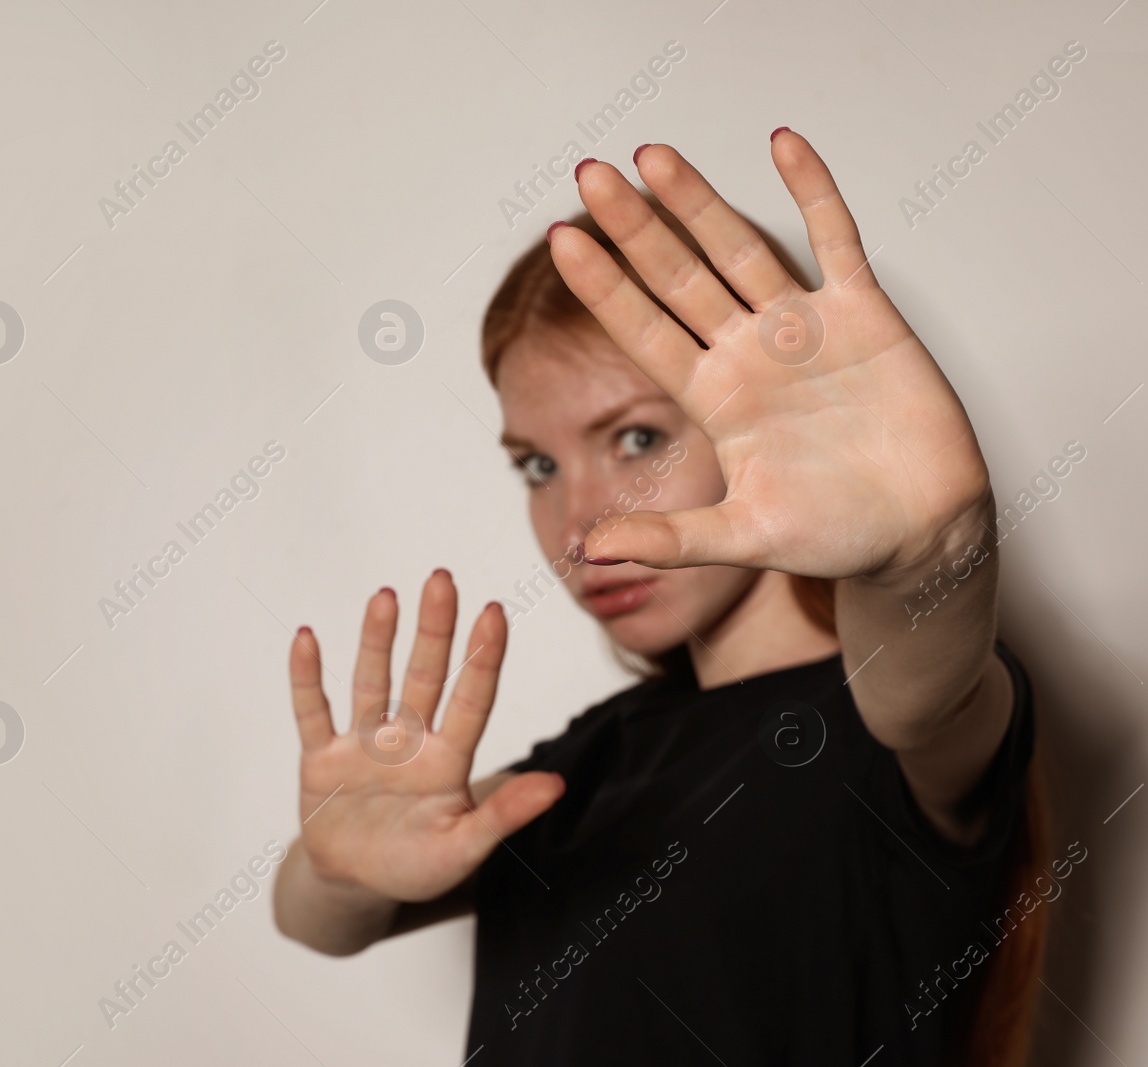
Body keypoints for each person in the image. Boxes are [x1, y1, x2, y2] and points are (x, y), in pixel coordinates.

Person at [273, 129, 1048, 1065]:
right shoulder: (596, 758)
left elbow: (928, 685)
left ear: (777, 421)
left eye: (637, 439)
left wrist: (934, 551)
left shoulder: (889, 727)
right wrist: (336, 866)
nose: (579, 524)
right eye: (537, 465)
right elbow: (322, 919)